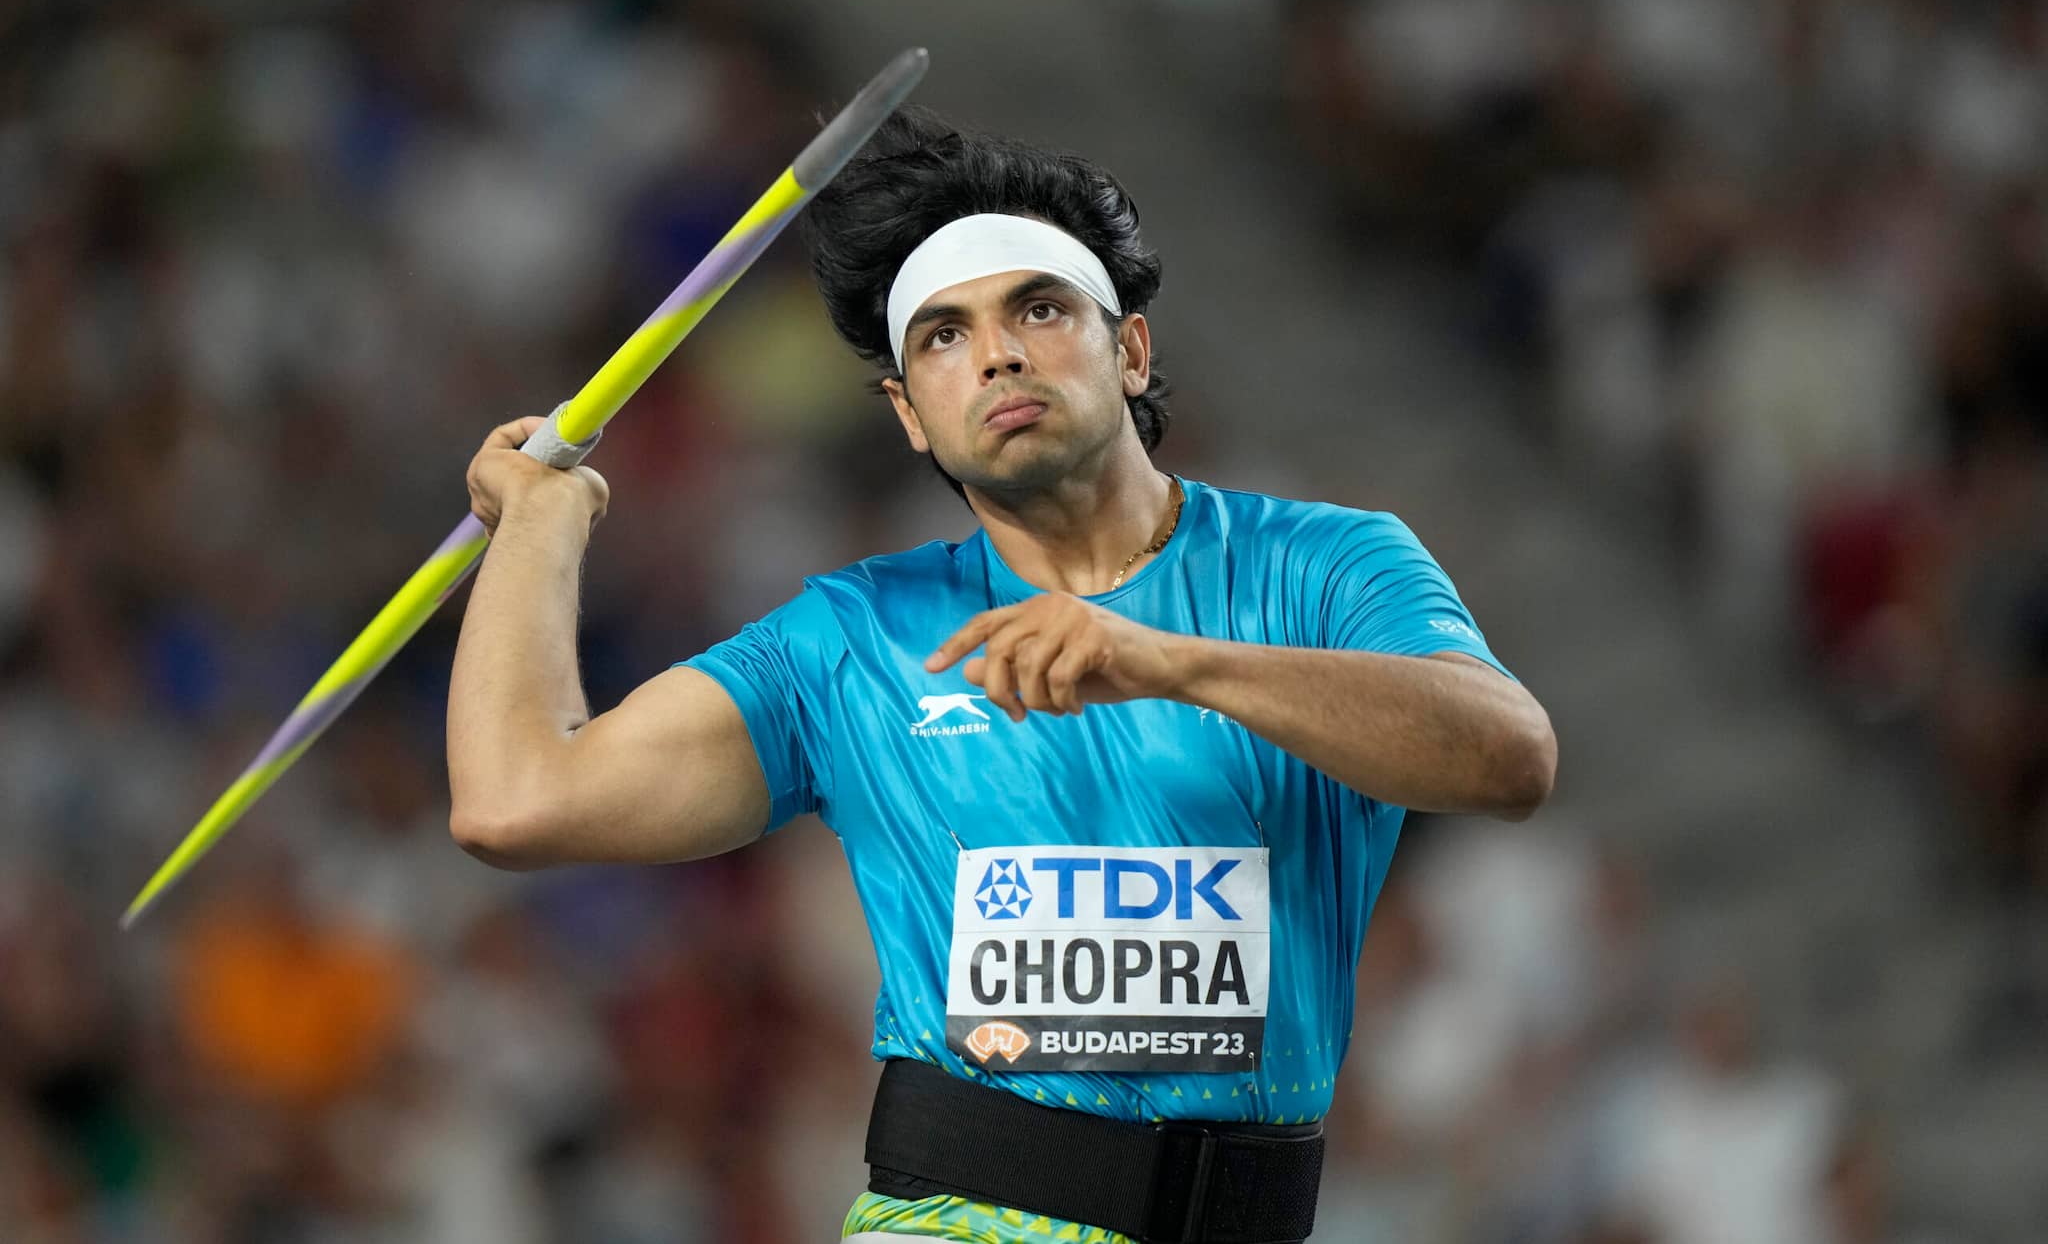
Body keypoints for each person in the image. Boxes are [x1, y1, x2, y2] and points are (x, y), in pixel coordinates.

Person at [446, 107, 1558, 1243]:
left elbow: (1509, 756)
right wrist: (538, 528)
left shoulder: (1324, 567)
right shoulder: (851, 640)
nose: (996, 354)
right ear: (909, 415)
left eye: (1039, 308)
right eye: (942, 335)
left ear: (1130, 351)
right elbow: (516, 801)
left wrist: (1169, 661)